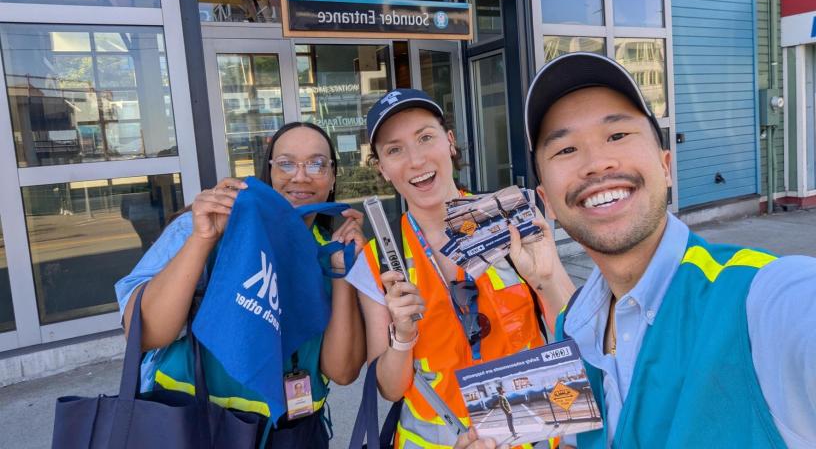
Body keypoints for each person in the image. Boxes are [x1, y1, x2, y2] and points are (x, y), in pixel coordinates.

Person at [456, 52, 816, 449]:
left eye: (617, 135)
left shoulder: (762, 298)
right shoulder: (575, 324)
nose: (596, 163)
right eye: (565, 150)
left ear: (666, 167)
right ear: (548, 202)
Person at [344, 89, 576, 448]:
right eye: (394, 150)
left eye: (425, 137)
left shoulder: (508, 219)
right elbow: (390, 388)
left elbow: (575, 329)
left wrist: (546, 279)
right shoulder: (375, 260)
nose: (416, 160)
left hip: (529, 432)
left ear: (449, 141)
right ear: (382, 168)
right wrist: (403, 334)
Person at [115, 121, 367, 448]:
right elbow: (143, 334)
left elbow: (344, 371)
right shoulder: (206, 227)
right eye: (287, 163)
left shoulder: (330, 250)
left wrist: (342, 271)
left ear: (332, 176)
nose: (300, 176)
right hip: (191, 425)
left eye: (317, 164)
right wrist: (202, 239)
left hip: (292, 435)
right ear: (269, 172)